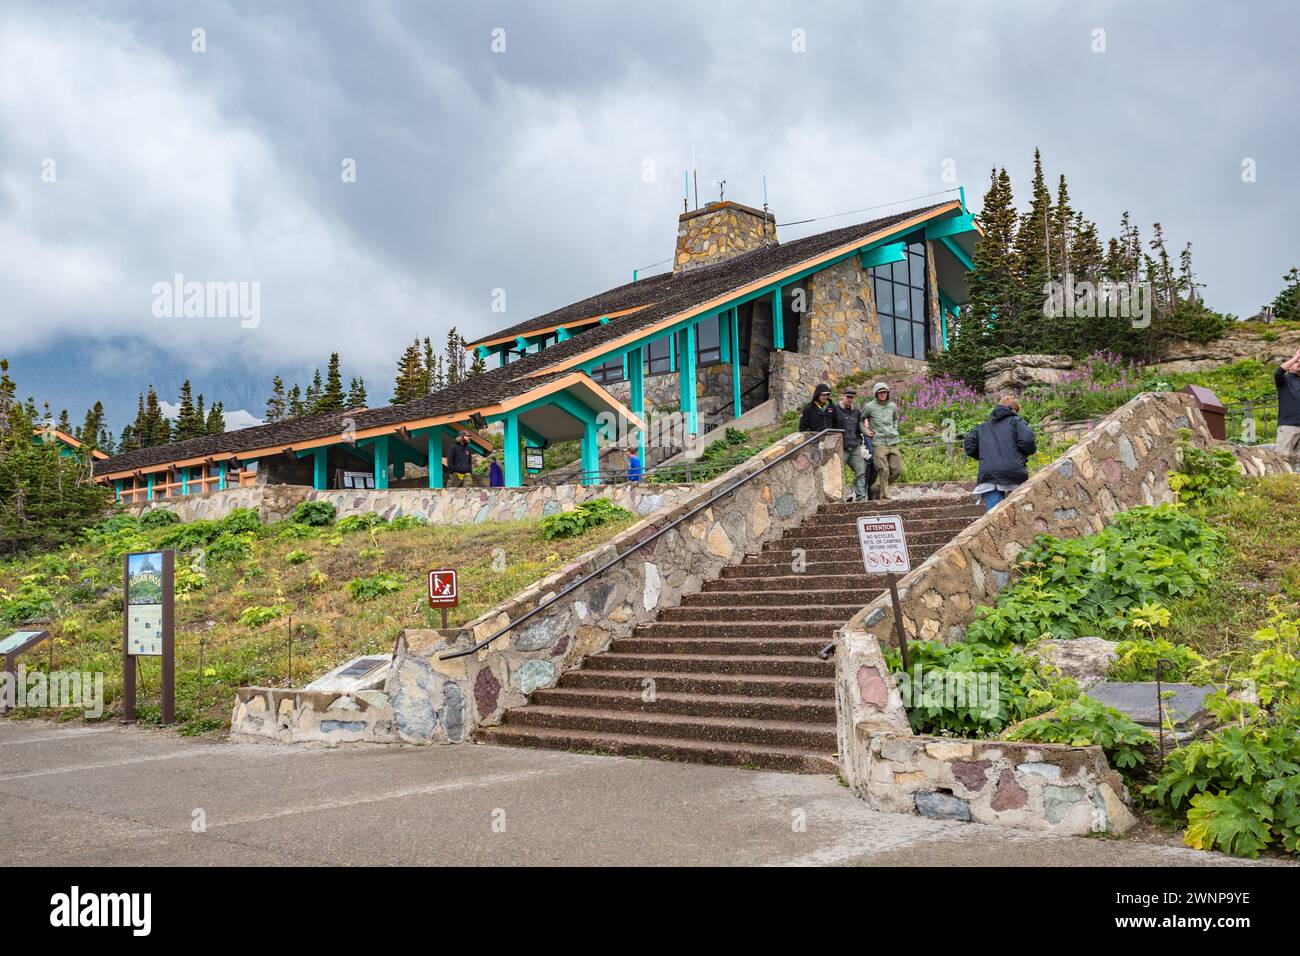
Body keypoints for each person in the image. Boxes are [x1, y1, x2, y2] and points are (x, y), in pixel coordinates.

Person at [964, 394, 1037, 511]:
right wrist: (1022, 455)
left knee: (994, 515)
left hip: (990, 474)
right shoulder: (1016, 422)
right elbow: (1027, 440)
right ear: (1014, 410)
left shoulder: (982, 428)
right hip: (1014, 470)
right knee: (1021, 511)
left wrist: (986, 456)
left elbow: (969, 446)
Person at [861, 382, 903, 500]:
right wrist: (865, 431)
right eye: (880, 392)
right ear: (876, 394)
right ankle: (885, 497)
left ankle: (877, 487)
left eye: (884, 392)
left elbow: (895, 419)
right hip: (878, 442)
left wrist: (894, 429)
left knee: (898, 469)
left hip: (892, 441)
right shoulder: (869, 407)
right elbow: (860, 420)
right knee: (883, 470)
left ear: (887, 393)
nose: (883, 394)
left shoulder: (892, 406)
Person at [831, 386, 871, 501]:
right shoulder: (834, 409)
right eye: (848, 397)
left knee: (861, 472)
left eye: (852, 397)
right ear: (842, 395)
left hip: (854, 447)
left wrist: (860, 441)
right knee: (837, 475)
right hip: (840, 448)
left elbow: (859, 427)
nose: (850, 399)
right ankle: (838, 499)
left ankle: (861, 499)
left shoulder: (856, 412)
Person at [1275, 349, 1300, 463]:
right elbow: (1278, 372)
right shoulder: (1283, 380)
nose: (1299, 363)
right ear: (1289, 366)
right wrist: (1296, 357)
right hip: (1288, 426)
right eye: (1296, 362)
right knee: (1282, 459)